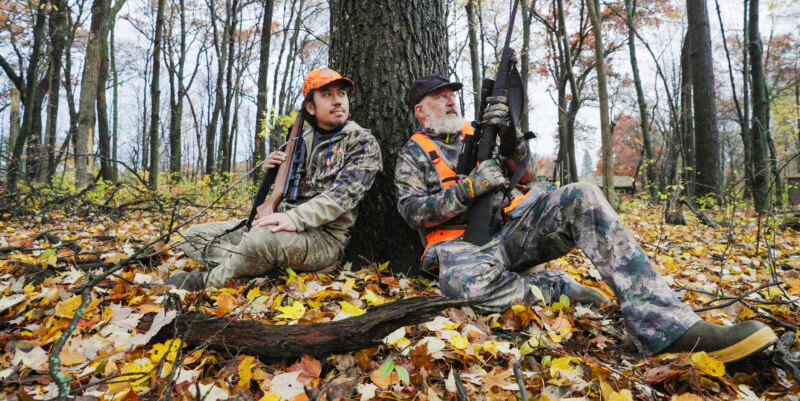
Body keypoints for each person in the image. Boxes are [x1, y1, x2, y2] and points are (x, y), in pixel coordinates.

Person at [394, 74, 777, 362]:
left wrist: (510, 137)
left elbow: (524, 176)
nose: (449, 101)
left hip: (511, 232)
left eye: (452, 95)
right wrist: (465, 190)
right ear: (420, 110)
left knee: (583, 194)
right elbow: (412, 212)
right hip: (459, 249)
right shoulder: (413, 155)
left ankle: (668, 326)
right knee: (464, 288)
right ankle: (556, 289)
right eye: (438, 96)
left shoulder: (481, 134)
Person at [167, 67, 382, 289]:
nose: (337, 101)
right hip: (277, 223)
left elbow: (342, 198)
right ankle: (259, 266)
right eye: (327, 95)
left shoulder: (362, 142)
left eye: (341, 94)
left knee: (260, 241)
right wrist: (275, 169)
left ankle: (205, 282)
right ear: (310, 106)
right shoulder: (299, 137)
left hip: (323, 238)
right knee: (193, 236)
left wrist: (294, 218)